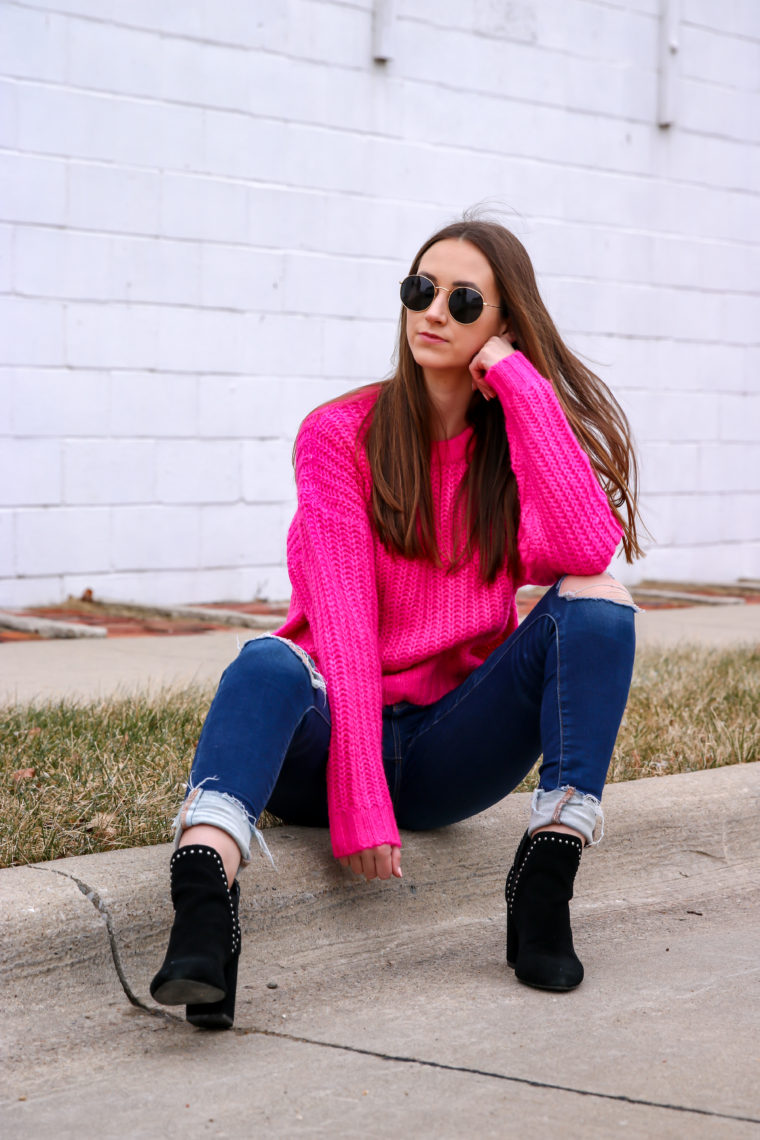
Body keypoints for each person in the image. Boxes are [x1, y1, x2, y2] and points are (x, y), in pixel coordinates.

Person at [150, 215, 643, 1029]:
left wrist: (519, 385)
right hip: (333, 735)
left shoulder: (509, 448)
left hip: (449, 750)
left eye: (463, 298)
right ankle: (204, 907)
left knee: (600, 603)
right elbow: (341, 617)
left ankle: (548, 874)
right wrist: (360, 795)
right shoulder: (338, 435)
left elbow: (587, 547)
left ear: (503, 324)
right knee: (268, 662)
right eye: (420, 289)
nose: (433, 310)